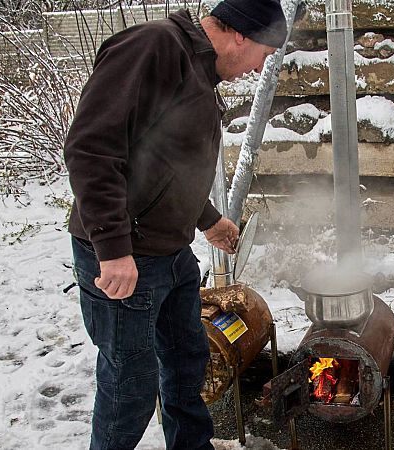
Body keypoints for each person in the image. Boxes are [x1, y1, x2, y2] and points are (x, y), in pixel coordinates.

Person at [63, 0, 287, 448]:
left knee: (188, 362)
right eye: (264, 53)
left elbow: (167, 162)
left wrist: (207, 219)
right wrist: (113, 248)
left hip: (171, 255)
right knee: (130, 385)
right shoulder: (153, 48)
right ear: (240, 33)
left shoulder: (198, 71)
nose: (259, 67)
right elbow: (91, 150)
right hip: (126, 256)